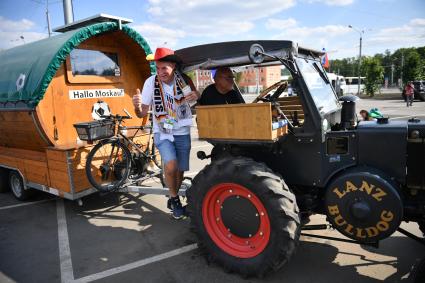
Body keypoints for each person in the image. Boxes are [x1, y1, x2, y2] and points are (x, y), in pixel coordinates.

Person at [132, 47, 200, 219]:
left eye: (164, 68)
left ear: (173, 66)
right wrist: (137, 106)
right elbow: (142, 113)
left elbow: (196, 101)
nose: (160, 72)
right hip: (162, 130)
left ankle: (173, 196)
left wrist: (196, 95)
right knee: (171, 165)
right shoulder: (150, 83)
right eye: (157, 67)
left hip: (182, 129)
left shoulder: (184, 80)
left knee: (181, 168)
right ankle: (175, 199)